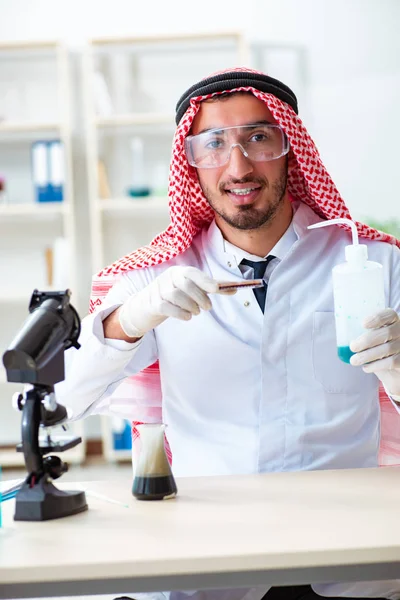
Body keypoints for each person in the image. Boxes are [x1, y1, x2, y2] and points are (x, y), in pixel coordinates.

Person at [56, 68, 400, 600]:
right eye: (213, 144)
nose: (238, 166)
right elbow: (62, 402)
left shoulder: (375, 261)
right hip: (211, 562)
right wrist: (130, 319)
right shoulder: (153, 275)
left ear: (291, 147)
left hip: (352, 562)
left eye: (258, 138)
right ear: (190, 163)